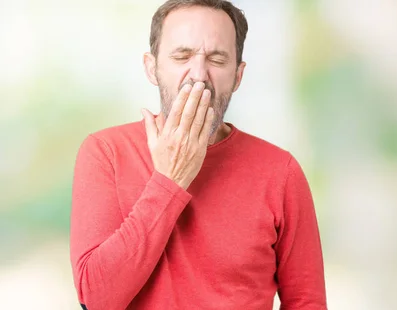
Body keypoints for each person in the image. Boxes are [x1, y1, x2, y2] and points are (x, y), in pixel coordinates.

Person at [68, 0, 327, 309]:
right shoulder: (105, 153)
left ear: (238, 75)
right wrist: (169, 180)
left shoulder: (280, 171)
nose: (199, 75)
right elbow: (96, 298)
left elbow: (306, 301)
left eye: (217, 59)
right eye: (182, 56)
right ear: (152, 68)